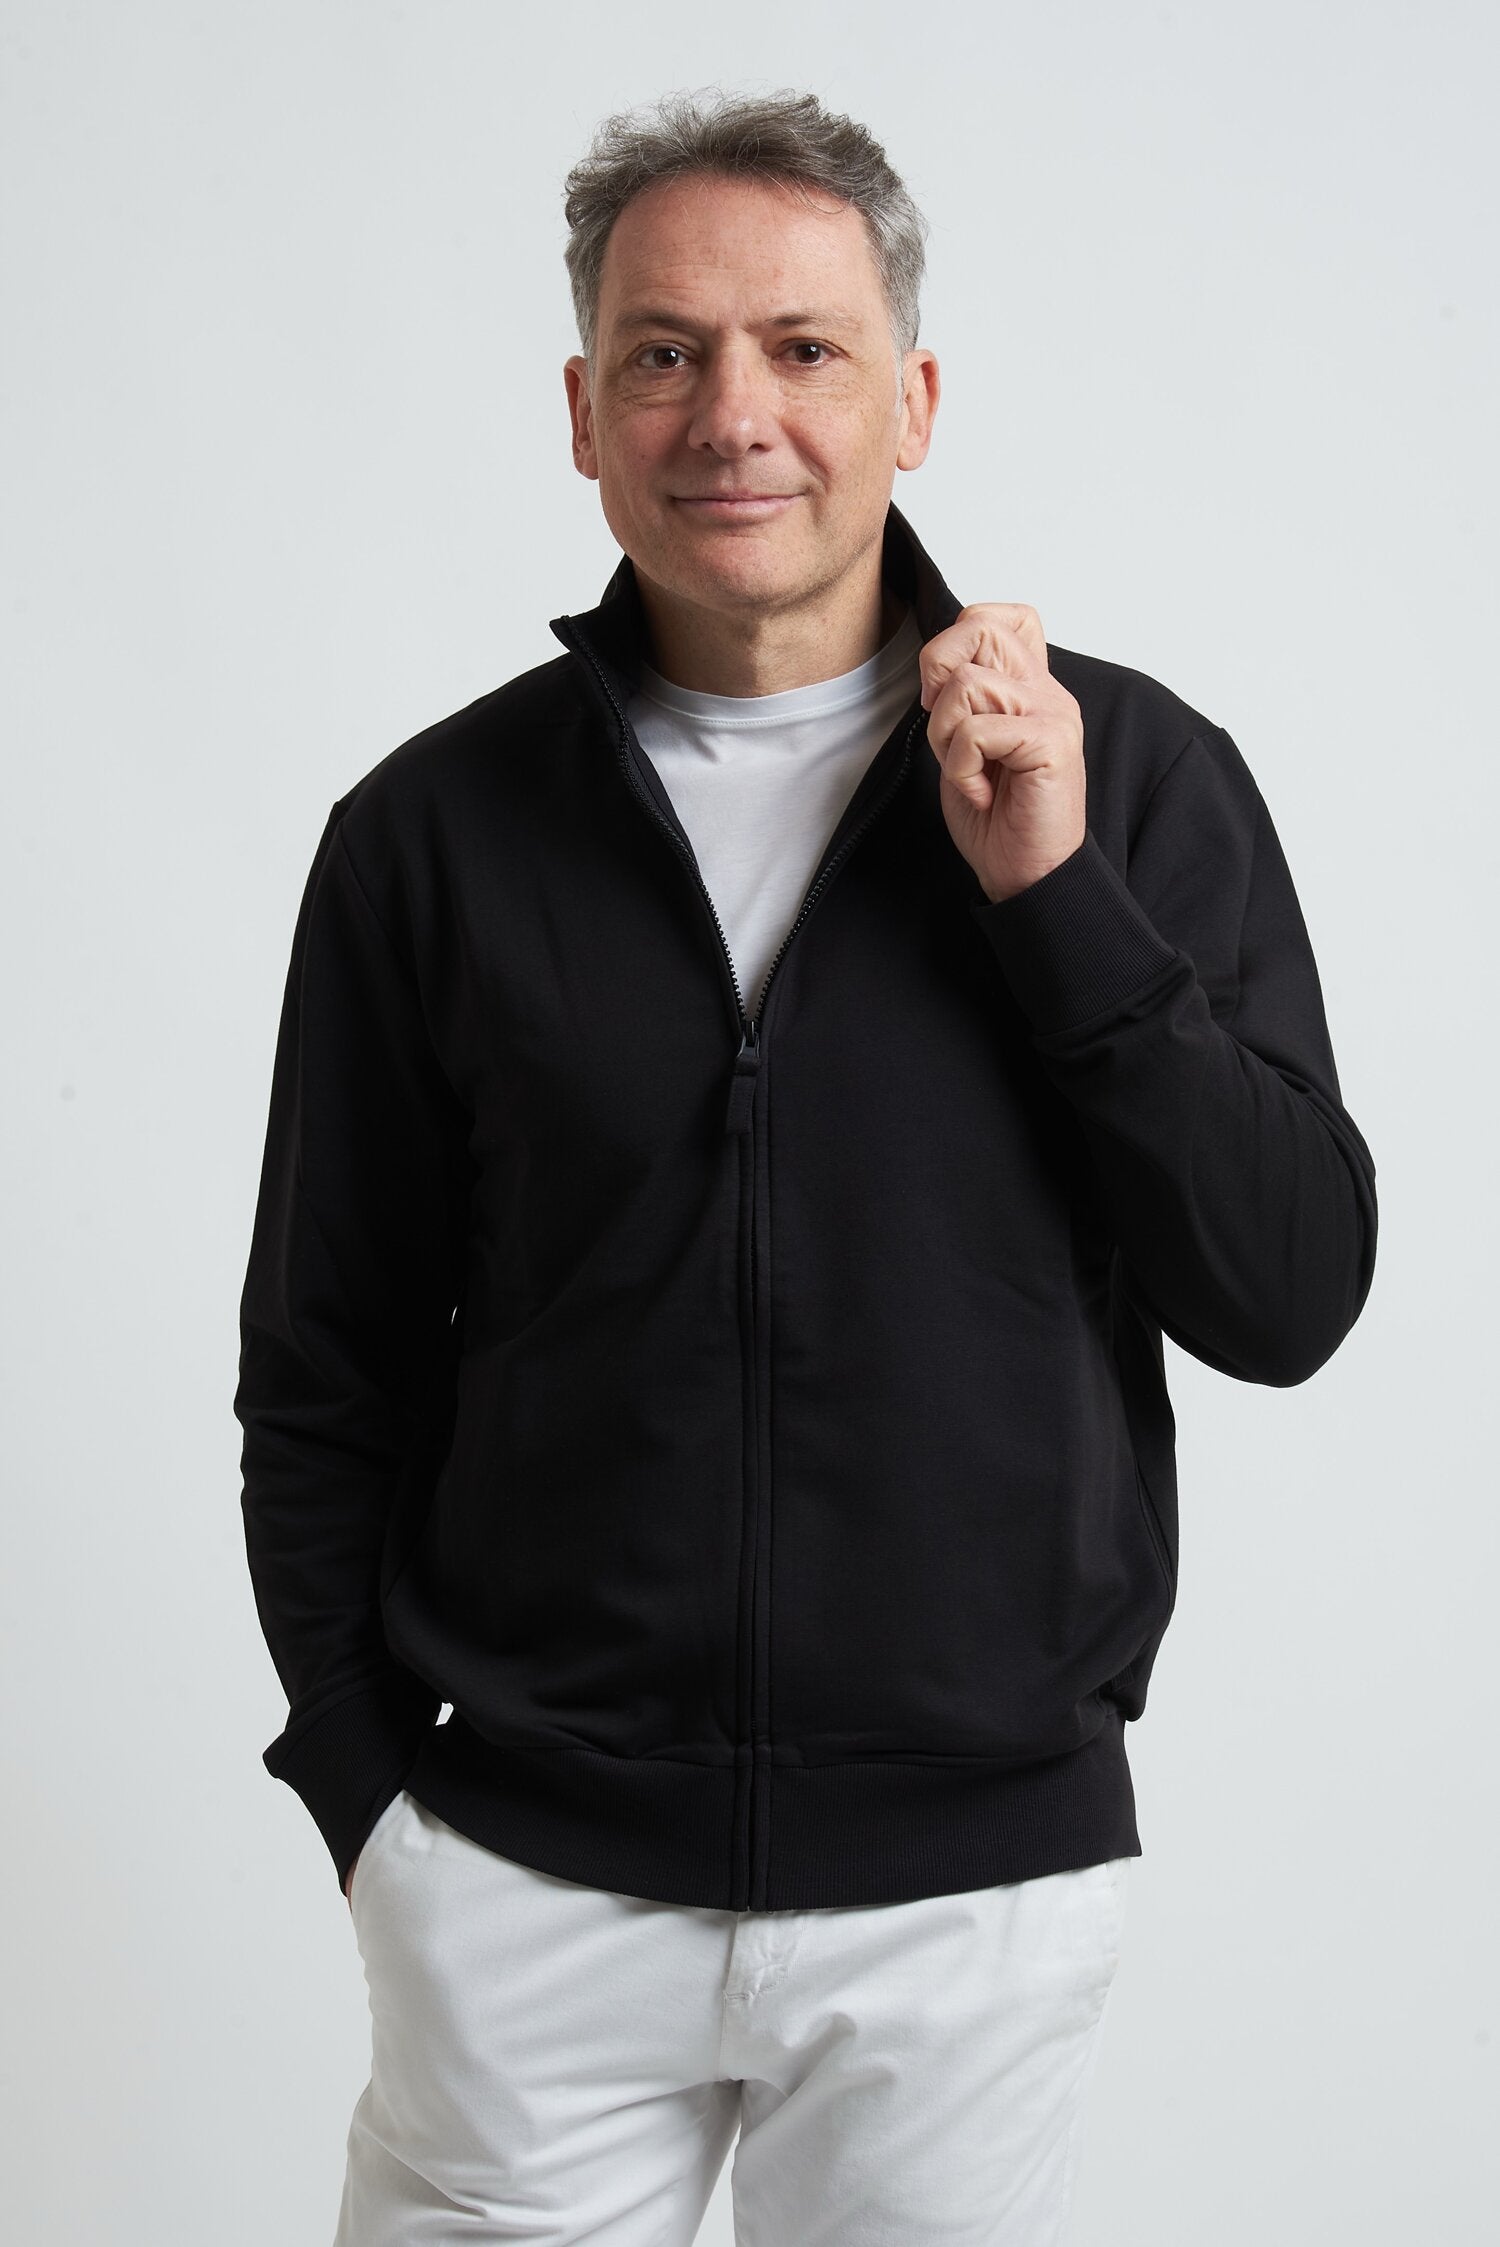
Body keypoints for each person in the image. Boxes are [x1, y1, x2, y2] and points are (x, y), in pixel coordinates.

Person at [234, 86, 1378, 2247]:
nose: (731, 414)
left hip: (969, 1905)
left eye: (804, 348)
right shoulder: (430, 837)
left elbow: (1289, 1288)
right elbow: (324, 1370)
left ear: (912, 403)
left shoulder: (1126, 780)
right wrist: (375, 1799)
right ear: (585, 413)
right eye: (664, 352)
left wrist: (1055, 901)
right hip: (528, 1889)